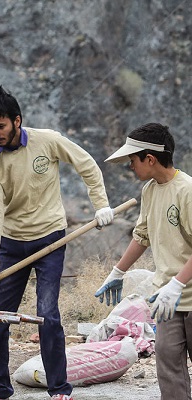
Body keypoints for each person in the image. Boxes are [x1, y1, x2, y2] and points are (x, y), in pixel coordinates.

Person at [0, 86, 114, 400]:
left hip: (50, 238)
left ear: (17, 120)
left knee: (47, 314)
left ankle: (59, 390)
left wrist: (101, 204)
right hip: (11, 244)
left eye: (1, 126)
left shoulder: (46, 140)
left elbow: (86, 163)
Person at [95, 123, 192, 399]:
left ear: (150, 159)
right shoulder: (150, 191)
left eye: (132, 160)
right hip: (166, 300)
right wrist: (117, 272)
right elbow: (142, 236)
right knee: (169, 366)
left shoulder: (187, 191)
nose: (130, 167)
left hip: (185, 293)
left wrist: (177, 284)